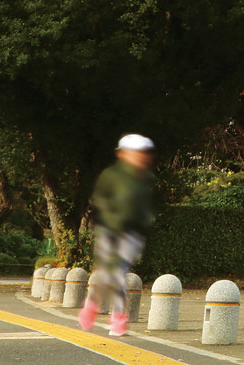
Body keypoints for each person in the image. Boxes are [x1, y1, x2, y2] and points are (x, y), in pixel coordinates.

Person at [78, 133, 157, 336]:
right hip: (109, 230)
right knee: (114, 273)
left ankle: (94, 305)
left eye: (143, 153)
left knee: (114, 272)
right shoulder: (110, 175)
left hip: (133, 235)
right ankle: (117, 316)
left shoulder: (146, 178)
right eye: (135, 153)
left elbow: (147, 207)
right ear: (122, 154)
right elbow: (100, 201)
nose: (140, 157)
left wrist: (147, 220)